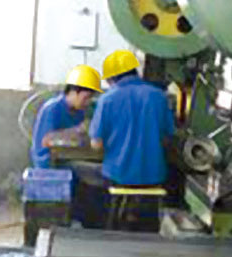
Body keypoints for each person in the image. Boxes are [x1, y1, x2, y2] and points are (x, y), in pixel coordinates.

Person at [89, 50, 175, 230]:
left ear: (111, 78)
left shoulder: (107, 99)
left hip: (118, 175)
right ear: (136, 71)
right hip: (154, 176)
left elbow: (96, 144)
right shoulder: (159, 96)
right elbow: (168, 136)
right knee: (149, 225)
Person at [30, 65, 102, 168]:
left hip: (68, 158)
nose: (87, 102)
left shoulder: (80, 110)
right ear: (73, 91)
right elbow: (46, 141)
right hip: (49, 164)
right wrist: (78, 130)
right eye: (86, 98)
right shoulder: (52, 109)